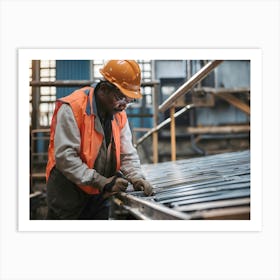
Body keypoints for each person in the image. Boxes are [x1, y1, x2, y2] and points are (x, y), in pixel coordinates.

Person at [45, 60, 153, 220]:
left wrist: (136, 177)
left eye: (129, 100)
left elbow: (126, 152)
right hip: (67, 191)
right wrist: (102, 181)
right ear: (103, 89)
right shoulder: (73, 108)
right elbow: (66, 158)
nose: (124, 105)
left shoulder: (118, 113)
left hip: (99, 192)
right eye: (120, 97)